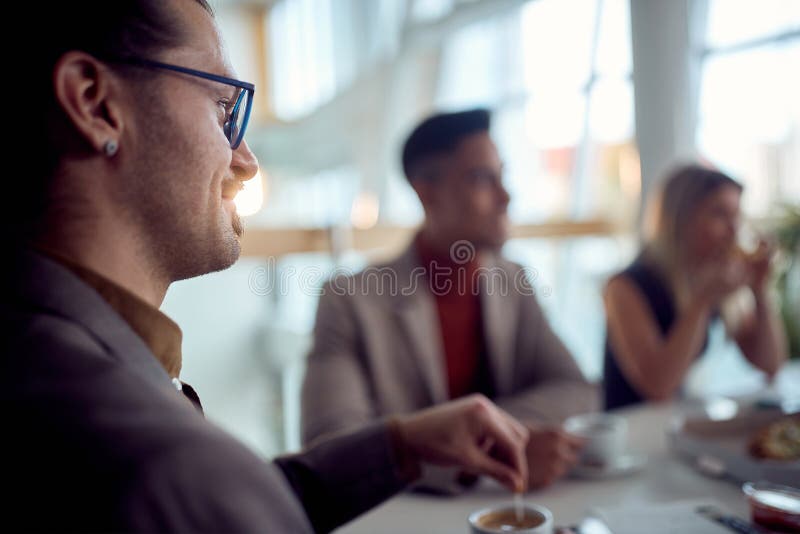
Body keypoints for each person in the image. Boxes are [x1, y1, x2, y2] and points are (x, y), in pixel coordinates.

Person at [2, 2, 530, 532]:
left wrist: (401, 445)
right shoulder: (155, 462)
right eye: (223, 108)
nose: (247, 160)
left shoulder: (49, 361)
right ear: (95, 103)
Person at [302, 109, 597, 492]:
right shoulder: (349, 301)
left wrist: (488, 431)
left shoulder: (513, 279)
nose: (506, 196)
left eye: (502, 175)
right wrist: (492, 451)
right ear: (426, 192)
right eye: (481, 179)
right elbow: (332, 446)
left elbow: (578, 389)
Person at [603, 164, 788, 410]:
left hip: (670, 423)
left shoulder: (712, 280)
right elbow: (658, 387)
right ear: (680, 219)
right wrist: (702, 300)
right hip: (630, 428)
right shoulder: (625, 286)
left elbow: (769, 365)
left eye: (737, 216)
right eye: (720, 214)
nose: (734, 230)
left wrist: (759, 288)